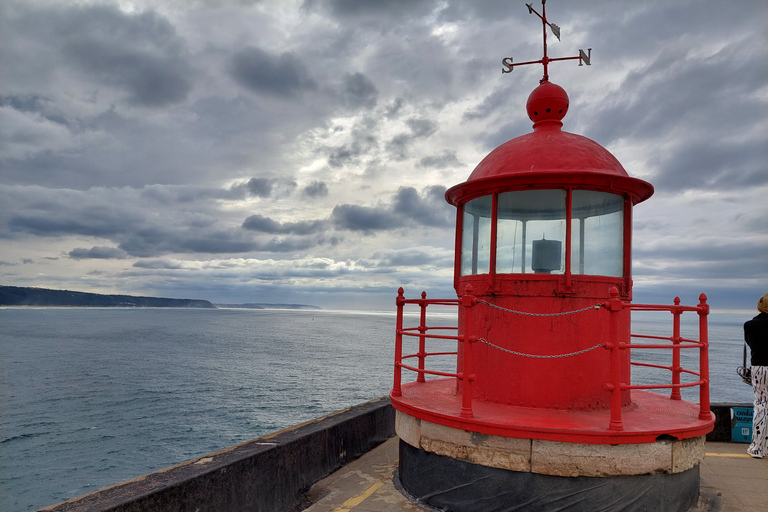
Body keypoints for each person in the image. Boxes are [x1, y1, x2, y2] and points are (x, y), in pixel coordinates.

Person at [744, 292, 768, 459]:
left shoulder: (750, 325)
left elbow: (751, 344)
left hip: (760, 367)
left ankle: (758, 448)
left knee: (761, 404)